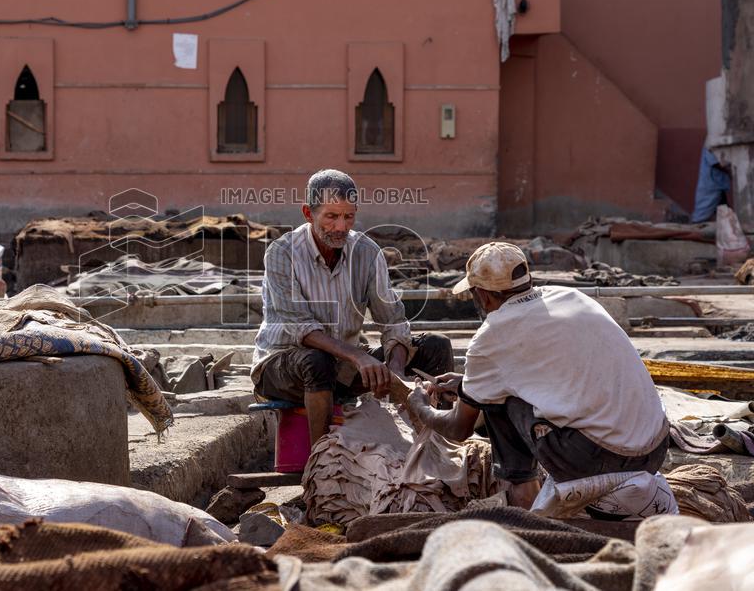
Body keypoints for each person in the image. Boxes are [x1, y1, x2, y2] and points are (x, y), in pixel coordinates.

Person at [406, 242, 671, 515]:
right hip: (655, 446)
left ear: (483, 296)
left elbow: (459, 429)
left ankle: (526, 503)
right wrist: (467, 384)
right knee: (496, 393)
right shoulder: (571, 297)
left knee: (498, 403)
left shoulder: (491, 336)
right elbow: (555, 370)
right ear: (527, 279)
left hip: (603, 459)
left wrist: (420, 406)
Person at [251, 169, 454, 445]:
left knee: (435, 346)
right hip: (284, 367)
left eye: (348, 216)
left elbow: (392, 320)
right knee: (315, 360)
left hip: (342, 368)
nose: (341, 227)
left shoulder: (367, 252)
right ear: (308, 214)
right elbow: (301, 328)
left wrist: (394, 372)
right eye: (331, 217)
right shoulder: (282, 252)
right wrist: (360, 357)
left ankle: (439, 447)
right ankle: (323, 462)